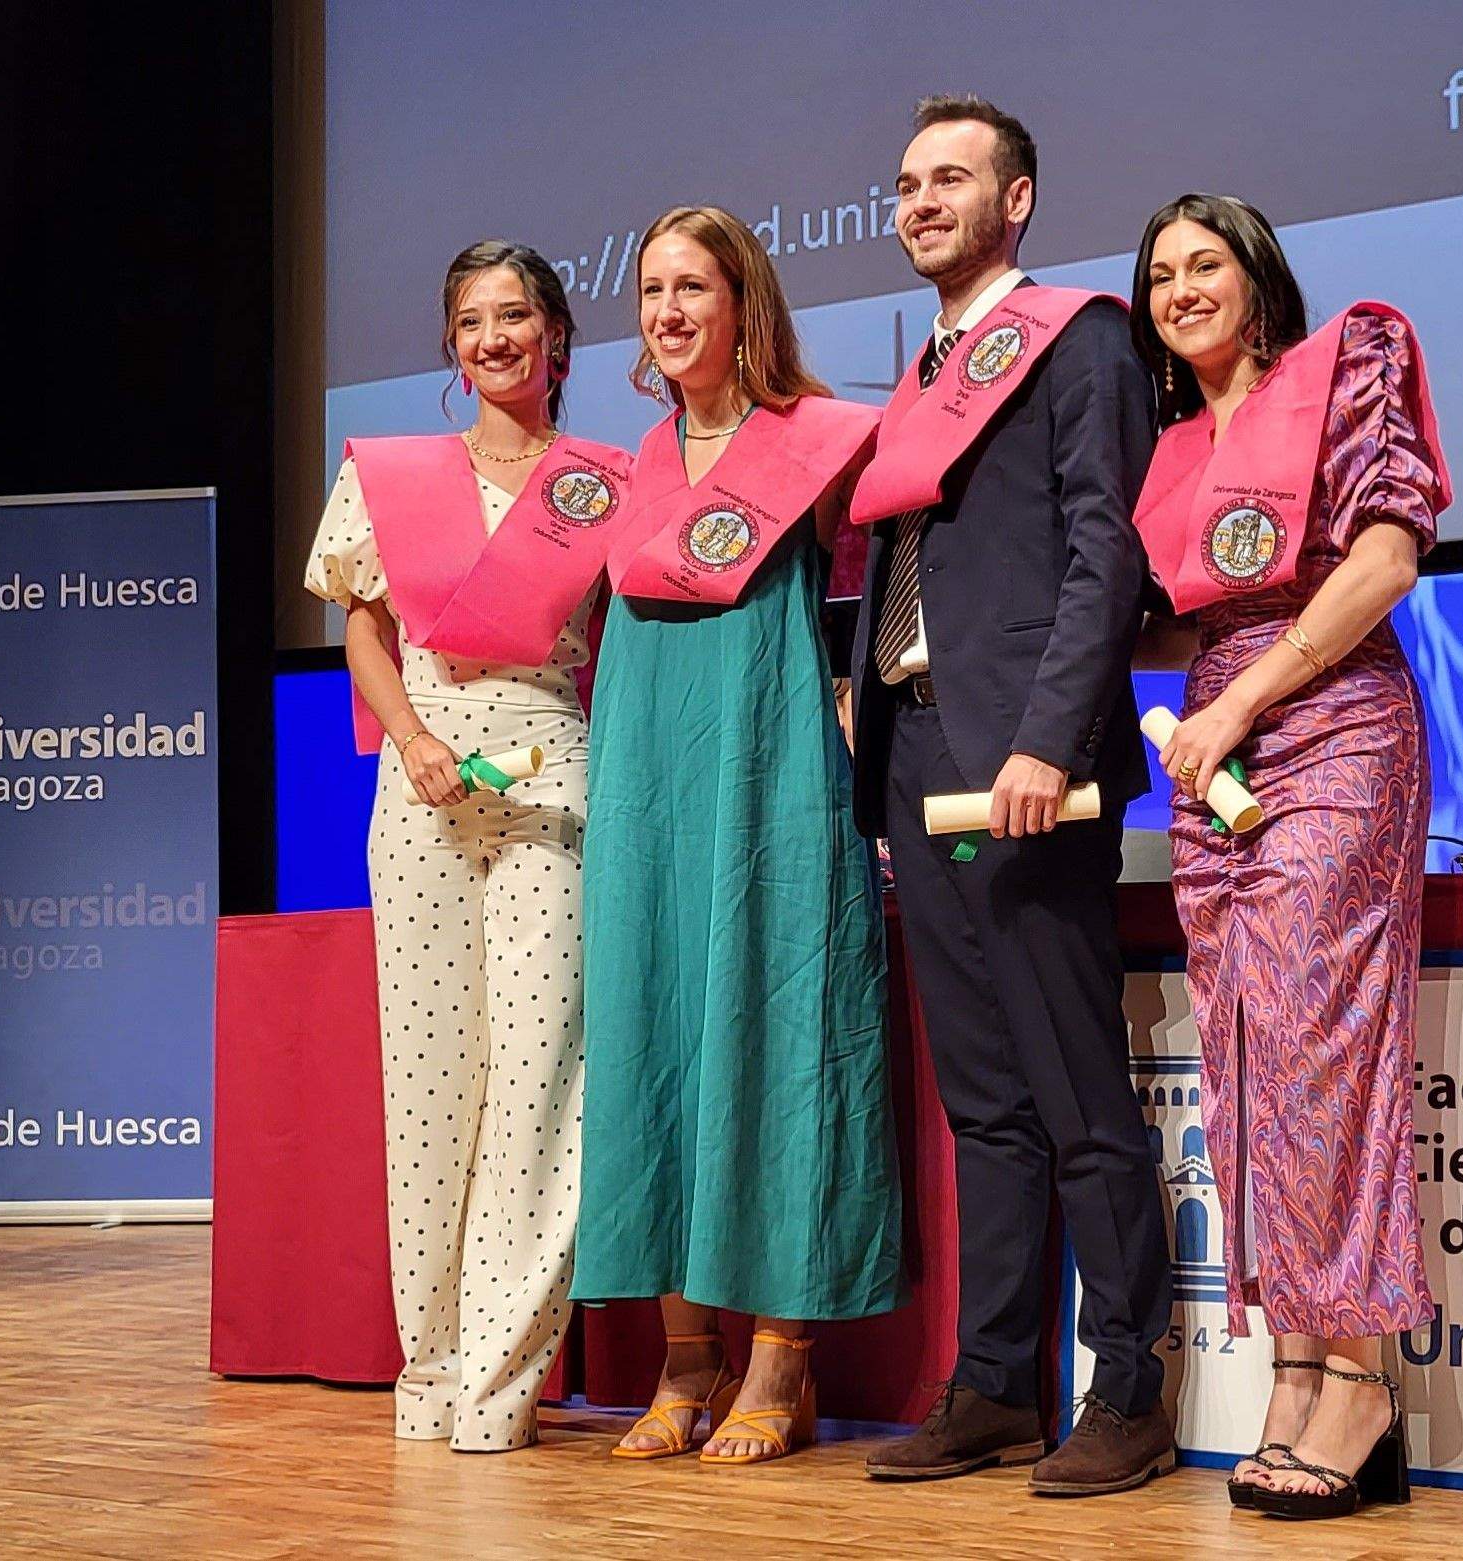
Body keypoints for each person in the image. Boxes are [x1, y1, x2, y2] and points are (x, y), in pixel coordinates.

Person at [845, 97, 1175, 1495]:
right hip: (916, 750)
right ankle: (992, 1384)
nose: (920, 201)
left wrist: (1049, 738)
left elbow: (1109, 549)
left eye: (950, 180)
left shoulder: (1081, 337)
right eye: (907, 183)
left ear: (1017, 200)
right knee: (983, 1099)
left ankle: (1128, 1385)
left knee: (1075, 1086)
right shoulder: (919, 369)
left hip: (1021, 761)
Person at [1127, 193, 1447, 1521]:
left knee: (1322, 1045)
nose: (1179, 288)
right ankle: (1296, 1361)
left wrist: (1239, 706)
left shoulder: (1345, 364)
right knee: (1244, 1053)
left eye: (1204, 264)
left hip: (1329, 725)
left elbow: (1381, 558)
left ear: (1256, 279)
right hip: (1212, 748)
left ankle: (1361, 1374)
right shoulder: (1158, 451)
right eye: (1156, 275)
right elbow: (1176, 627)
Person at [572, 205, 902, 1467]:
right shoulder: (619, 468)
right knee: (658, 1035)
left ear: (741, 302)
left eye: (693, 286)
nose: (667, 310)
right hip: (647, 785)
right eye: (651, 288)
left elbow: (901, 589)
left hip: (768, 780)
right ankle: (685, 1361)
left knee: (778, 1040)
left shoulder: (815, 446)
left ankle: (783, 1362)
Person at [305, 240, 630, 1452]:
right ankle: (431, 1361)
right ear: (451, 346)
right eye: (471, 321)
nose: (494, 338)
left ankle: (506, 1369)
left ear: (555, 334)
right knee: (433, 1080)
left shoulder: (608, 479)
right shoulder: (390, 475)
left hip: (555, 772)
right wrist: (416, 742)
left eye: (515, 316)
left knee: (544, 1074)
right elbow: (366, 632)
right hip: (423, 777)